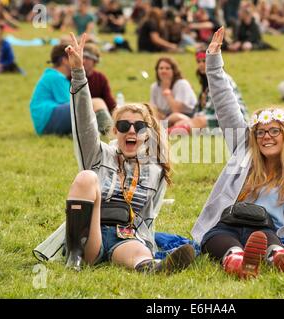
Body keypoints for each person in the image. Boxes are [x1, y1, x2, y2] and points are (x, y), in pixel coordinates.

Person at [192, 27, 284, 279]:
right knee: (220, 243)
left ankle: (280, 256)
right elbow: (226, 105)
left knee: (270, 242)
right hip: (227, 224)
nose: (266, 137)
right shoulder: (245, 151)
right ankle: (237, 260)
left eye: (274, 131)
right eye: (260, 132)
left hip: (264, 229)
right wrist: (214, 61)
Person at [62, 32, 195, 272]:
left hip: (127, 235)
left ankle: (151, 266)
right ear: (114, 131)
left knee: (139, 253)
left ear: (147, 133)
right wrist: (79, 73)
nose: (131, 130)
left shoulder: (155, 170)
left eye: (139, 126)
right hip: (90, 234)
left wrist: (146, 244)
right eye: (124, 126)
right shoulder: (98, 154)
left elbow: (149, 218)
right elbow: (84, 122)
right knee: (86, 177)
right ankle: (75, 258)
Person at [170, 50, 248, 133]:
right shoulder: (206, 82)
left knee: (195, 121)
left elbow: (211, 110)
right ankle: (164, 130)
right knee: (176, 117)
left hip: (232, 119)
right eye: (198, 62)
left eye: (204, 61)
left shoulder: (220, 80)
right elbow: (200, 109)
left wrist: (191, 120)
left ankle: (167, 133)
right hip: (215, 117)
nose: (201, 64)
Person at [150, 57, 197, 127]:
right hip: (166, 117)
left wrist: (168, 94)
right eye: (161, 68)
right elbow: (153, 109)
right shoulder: (155, 86)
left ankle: (159, 128)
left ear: (174, 71)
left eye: (167, 68)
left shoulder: (182, 84)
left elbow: (176, 110)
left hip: (186, 116)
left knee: (175, 117)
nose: (163, 71)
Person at [83, 43, 115, 133]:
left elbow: (110, 102)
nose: (83, 61)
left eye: (87, 58)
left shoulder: (100, 78)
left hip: (97, 115)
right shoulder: (71, 77)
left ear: (95, 61)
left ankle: (109, 129)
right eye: (82, 57)